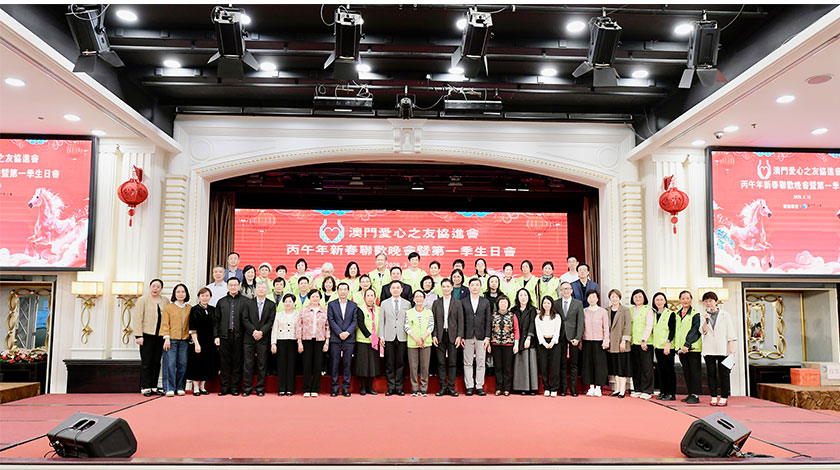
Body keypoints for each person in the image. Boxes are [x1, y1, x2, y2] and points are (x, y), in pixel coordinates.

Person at [214, 277, 252, 396]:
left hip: (239, 336)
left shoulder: (246, 301)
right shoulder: (221, 302)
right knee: (224, 363)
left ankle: (235, 387)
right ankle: (224, 387)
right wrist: (216, 336)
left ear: (239, 286)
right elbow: (216, 321)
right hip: (224, 336)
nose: (233, 287)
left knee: (237, 363)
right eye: (231, 285)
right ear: (227, 286)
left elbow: (249, 320)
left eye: (235, 285)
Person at [700, 291, 737, 407]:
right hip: (709, 348)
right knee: (711, 373)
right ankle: (713, 396)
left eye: (710, 301)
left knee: (723, 374)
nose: (708, 303)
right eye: (706, 301)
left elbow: (730, 331)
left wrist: (731, 348)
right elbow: (702, 331)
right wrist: (706, 320)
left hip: (723, 348)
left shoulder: (725, 315)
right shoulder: (704, 315)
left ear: (716, 302)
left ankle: (724, 397)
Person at [133, 279, 169, 396]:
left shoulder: (165, 300)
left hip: (160, 336)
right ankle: (145, 387)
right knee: (146, 362)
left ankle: (154, 386)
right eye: (153, 286)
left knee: (157, 362)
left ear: (161, 289)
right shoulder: (143, 300)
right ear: (150, 287)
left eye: (158, 287)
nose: (155, 289)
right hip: (146, 335)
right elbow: (137, 318)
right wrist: (138, 335)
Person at [242, 281, 276, 397]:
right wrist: (254, 331)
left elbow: (270, 321)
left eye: (263, 288)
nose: (261, 289)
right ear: (255, 289)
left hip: (263, 338)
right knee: (248, 364)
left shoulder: (271, 304)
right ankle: (247, 388)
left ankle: (260, 388)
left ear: (267, 290)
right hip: (249, 338)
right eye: (259, 287)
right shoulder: (248, 303)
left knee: (262, 364)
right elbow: (245, 319)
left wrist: (261, 332)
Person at [432, 278, 464, 396]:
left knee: (452, 362)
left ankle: (451, 388)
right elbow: (433, 321)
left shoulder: (457, 303)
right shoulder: (436, 303)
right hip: (440, 335)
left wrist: (459, 336)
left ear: (451, 288)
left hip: (453, 335)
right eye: (444, 286)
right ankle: (442, 387)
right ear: (441, 288)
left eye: (448, 286)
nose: (446, 289)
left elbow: (461, 321)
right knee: (440, 362)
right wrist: (434, 335)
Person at [327, 282, 358, 397]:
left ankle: (346, 388)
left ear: (348, 291)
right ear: (337, 291)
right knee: (334, 363)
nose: (343, 292)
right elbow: (331, 320)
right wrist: (339, 332)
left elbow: (354, 321)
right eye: (341, 289)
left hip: (349, 338)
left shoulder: (353, 305)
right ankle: (334, 388)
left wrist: (347, 332)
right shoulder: (331, 304)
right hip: (336, 338)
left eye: (345, 289)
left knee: (347, 363)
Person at [380, 281, 410, 395]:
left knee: (400, 363)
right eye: (393, 288)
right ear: (390, 290)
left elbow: (408, 321)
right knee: (389, 363)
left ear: (402, 290)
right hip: (388, 336)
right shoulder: (384, 303)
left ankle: (399, 387)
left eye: (398, 288)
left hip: (402, 337)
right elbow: (382, 321)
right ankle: (391, 387)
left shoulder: (407, 304)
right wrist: (381, 335)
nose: (396, 290)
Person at [160, 283, 191, 397]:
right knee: (170, 364)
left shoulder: (189, 308)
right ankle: (169, 388)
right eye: (178, 292)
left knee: (183, 364)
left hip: (185, 340)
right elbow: (165, 323)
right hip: (171, 339)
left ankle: (180, 387)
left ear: (186, 294)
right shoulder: (169, 308)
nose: (180, 294)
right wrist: (166, 338)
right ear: (174, 294)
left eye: (183, 292)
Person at [462, 277, 492, 396]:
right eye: (472, 285)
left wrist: (488, 337)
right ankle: (469, 386)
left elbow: (488, 320)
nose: (474, 287)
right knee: (467, 362)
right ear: (469, 287)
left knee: (481, 362)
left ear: (480, 287)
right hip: (467, 336)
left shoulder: (485, 302)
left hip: (481, 336)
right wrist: (461, 336)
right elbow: (461, 320)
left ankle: (479, 386)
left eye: (477, 285)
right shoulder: (463, 301)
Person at [554, 281, 584, 396]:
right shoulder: (556, 303)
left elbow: (580, 322)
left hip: (573, 337)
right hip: (560, 336)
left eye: (567, 289)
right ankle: (563, 389)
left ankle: (573, 388)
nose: (565, 291)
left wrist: (578, 338)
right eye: (563, 289)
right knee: (561, 363)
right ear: (560, 291)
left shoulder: (578, 303)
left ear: (571, 290)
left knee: (573, 363)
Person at [297, 290, 329, 397]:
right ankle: (306, 389)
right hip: (306, 340)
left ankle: (315, 389)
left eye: (317, 296)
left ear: (320, 298)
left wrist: (327, 342)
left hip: (320, 340)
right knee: (307, 364)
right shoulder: (303, 311)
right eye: (313, 296)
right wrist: (299, 341)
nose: (315, 298)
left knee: (318, 364)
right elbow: (299, 326)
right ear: (309, 298)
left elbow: (327, 327)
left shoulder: (324, 311)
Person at [186, 287, 217, 396]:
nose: (205, 298)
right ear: (199, 297)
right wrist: (196, 343)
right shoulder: (194, 309)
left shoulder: (213, 309)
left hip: (209, 342)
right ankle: (196, 387)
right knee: (196, 364)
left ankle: (203, 387)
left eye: (207, 295)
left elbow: (215, 325)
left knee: (207, 363)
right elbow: (192, 328)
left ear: (210, 297)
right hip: (198, 341)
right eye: (202, 295)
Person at [675, 290, 702, 404]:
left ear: (691, 299)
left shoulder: (695, 314)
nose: (685, 300)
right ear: (680, 300)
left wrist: (687, 344)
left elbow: (695, 330)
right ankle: (690, 393)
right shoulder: (677, 314)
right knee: (686, 372)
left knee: (694, 372)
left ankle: (695, 395)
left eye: (687, 298)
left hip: (692, 348)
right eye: (683, 298)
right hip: (681, 349)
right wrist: (677, 347)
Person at [405, 290, 435, 396]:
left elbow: (431, 326)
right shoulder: (408, 312)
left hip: (425, 342)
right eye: (416, 297)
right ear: (413, 299)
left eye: (420, 296)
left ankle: (423, 389)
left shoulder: (429, 312)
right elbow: (407, 327)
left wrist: (423, 338)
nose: (418, 299)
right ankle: (414, 389)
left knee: (425, 366)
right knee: (413, 366)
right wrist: (416, 339)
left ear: (424, 299)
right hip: (412, 343)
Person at [354, 288, 382, 396]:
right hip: (363, 340)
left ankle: (370, 387)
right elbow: (360, 324)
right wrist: (369, 336)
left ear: (375, 297)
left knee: (373, 364)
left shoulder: (379, 309)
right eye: (368, 296)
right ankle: (363, 387)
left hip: (375, 340)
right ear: (364, 298)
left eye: (372, 296)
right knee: (363, 364)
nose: (370, 298)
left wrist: (378, 337)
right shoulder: (360, 308)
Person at [582, 289, 609, 397]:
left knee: (599, 365)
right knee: (588, 364)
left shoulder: (603, 311)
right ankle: (591, 387)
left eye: (594, 297)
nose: (592, 299)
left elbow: (606, 327)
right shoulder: (584, 311)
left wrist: (606, 341)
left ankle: (598, 387)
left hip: (599, 341)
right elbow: (582, 327)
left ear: (597, 299)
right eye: (589, 297)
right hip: (587, 340)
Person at [270, 293, 299, 396]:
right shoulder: (278, 314)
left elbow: (299, 329)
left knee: (291, 365)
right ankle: (281, 388)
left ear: (294, 303)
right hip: (281, 340)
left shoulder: (298, 314)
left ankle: (290, 388)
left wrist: (299, 342)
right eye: (286, 301)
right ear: (283, 303)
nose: (288, 303)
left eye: (290, 301)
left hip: (293, 341)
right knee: (281, 365)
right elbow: (274, 329)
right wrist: (273, 343)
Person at [512, 288, 539, 395]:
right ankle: (522, 387)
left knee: (531, 364)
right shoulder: (513, 310)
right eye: (521, 295)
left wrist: (529, 337)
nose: (523, 297)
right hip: (518, 339)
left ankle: (532, 388)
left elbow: (533, 323)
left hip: (529, 339)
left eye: (525, 295)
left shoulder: (532, 309)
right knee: (520, 364)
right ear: (517, 297)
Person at [606, 289, 632, 398]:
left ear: (619, 298)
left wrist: (624, 341)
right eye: (612, 297)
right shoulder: (606, 310)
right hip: (611, 343)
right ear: (609, 298)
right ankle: (616, 389)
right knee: (615, 367)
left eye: (616, 297)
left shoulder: (625, 310)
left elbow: (627, 326)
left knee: (622, 367)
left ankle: (622, 390)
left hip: (621, 342)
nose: (614, 299)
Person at [629, 289, 655, 399]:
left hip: (645, 342)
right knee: (636, 367)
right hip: (633, 342)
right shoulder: (630, 310)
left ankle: (647, 390)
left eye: (640, 296)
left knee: (646, 367)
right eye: (635, 297)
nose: (637, 299)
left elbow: (649, 325)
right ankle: (638, 389)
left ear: (644, 298)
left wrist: (644, 340)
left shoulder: (648, 310)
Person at [652, 292, 677, 401]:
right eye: (657, 300)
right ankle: (663, 392)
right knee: (661, 370)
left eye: (661, 300)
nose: (659, 302)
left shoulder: (670, 313)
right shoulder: (653, 314)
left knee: (669, 370)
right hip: (657, 346)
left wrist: (668, 343)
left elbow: (672, 330)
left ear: (665, 301)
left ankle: (671, 393)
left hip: (667, 346)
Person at [491, 296, 518, 396]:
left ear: (508, 304)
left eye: (505, 302)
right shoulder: (493, 315)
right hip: (495, 344)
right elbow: (489, 329)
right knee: (497, 367)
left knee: (507, 367)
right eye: (501, 302)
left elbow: (516, 330)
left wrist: (516, 344)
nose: (503, 304)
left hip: (508, 344)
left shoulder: (512, 315)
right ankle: (498, 388)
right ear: (498, 304)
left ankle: (506, 388)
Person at [535, 295, 562, 397]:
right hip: (542, 343)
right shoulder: (538, 317)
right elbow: (538, 331)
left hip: (554, 342)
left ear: (552, 304)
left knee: (555, 366)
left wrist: (552, 342)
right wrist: (544, 342)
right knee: (544, 366)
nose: (546, 305)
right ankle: (546, 387)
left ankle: (554, 388)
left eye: (548, 303)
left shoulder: (557, 317)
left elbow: (557, 331)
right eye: (544, 303)